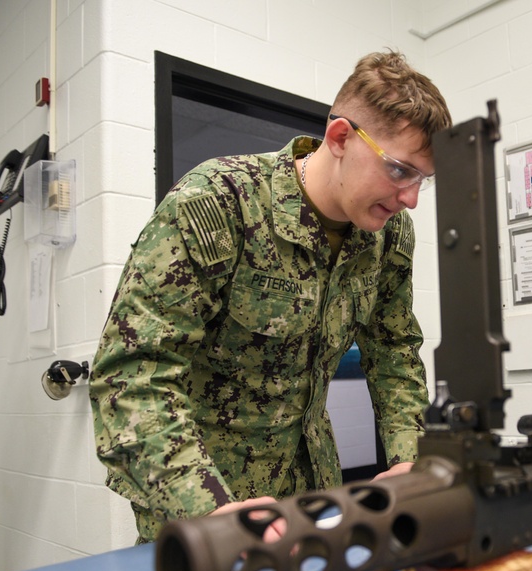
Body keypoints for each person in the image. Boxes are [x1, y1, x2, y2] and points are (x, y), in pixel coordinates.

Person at [90, 51, 452, 543]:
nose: (410, 197)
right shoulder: (219, 202)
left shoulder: (389, 236)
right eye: (399, 171)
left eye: (421, 181)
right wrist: (209, 508)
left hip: (313, 491)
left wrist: (409, 458)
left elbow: (394, 353)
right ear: (341, 137)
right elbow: (130, 377)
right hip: (206, 499)